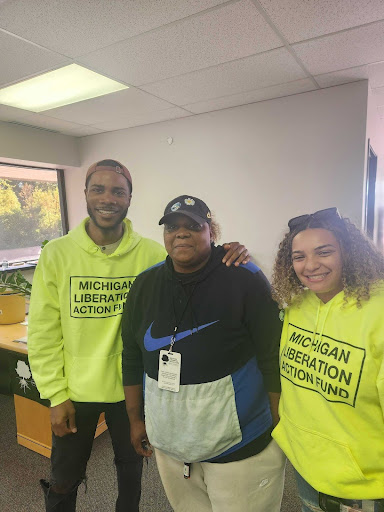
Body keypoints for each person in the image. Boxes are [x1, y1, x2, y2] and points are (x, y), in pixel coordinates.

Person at [28, 160, 250, 512]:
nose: (108, 198)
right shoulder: (57, 254)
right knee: (63, 477)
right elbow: (42, 330)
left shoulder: (150, 253)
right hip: (75, 391)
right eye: (98, 189)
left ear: (130, 198)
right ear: (84, 194)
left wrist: (227, 251)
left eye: (118, 191)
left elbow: (192, 261)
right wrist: (54, 395)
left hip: (133, 389)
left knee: (131, 474)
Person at [122, 194, 286, 512]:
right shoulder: (144, 284)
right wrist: (135, 419)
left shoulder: (244, 278)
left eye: (193, 226)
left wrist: (280, 423)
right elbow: (131, 355)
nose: (181, 233)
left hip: (240, 445)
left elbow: (272, 356)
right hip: (171, 443)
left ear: (212, 232)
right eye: (172, 226)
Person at [271, 207, 384, 512]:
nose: (311, 266)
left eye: (324, 252)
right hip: (308, 469)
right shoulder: (297, 305)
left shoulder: (379, 310)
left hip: (366, 487)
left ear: (347, 251)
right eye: (299, 257)